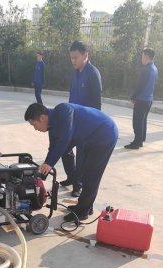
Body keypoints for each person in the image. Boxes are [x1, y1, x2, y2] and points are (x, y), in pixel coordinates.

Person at [25, 102, 118, 222]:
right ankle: (86, 206)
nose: (35, 129)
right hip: (87, 138)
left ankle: (82, 212)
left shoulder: (64, 110)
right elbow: (53, 148)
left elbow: (66, 137)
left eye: (34, 124)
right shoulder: (52, 128)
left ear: (42, 118)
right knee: (84, 173)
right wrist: (41, 176)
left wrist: (50, 164)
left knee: (91, 175)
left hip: (105, 135)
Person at [62, 40, 103, 198]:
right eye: (71, 58)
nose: (73, 61)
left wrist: (93, 126)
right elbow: (72, 97)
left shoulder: (92, 74)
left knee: (82, 155)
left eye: (76, 57)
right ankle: (72, 176)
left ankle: (78, 185)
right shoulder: (76, 73)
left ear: (85, 56)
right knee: (64, 147)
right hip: (73, 121)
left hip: (86, 124)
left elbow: (97, 103)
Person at [125, 48, 158, 150]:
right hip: (149, 99)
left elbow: (141, 86)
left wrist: (133, 97)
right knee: (143, 121)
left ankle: (136, 143)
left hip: (142, 99)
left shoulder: (147, 70)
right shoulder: (154, 69)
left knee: (137, 122)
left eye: (142, 56)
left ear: (146, 56)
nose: (141, 59)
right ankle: (140, 141)